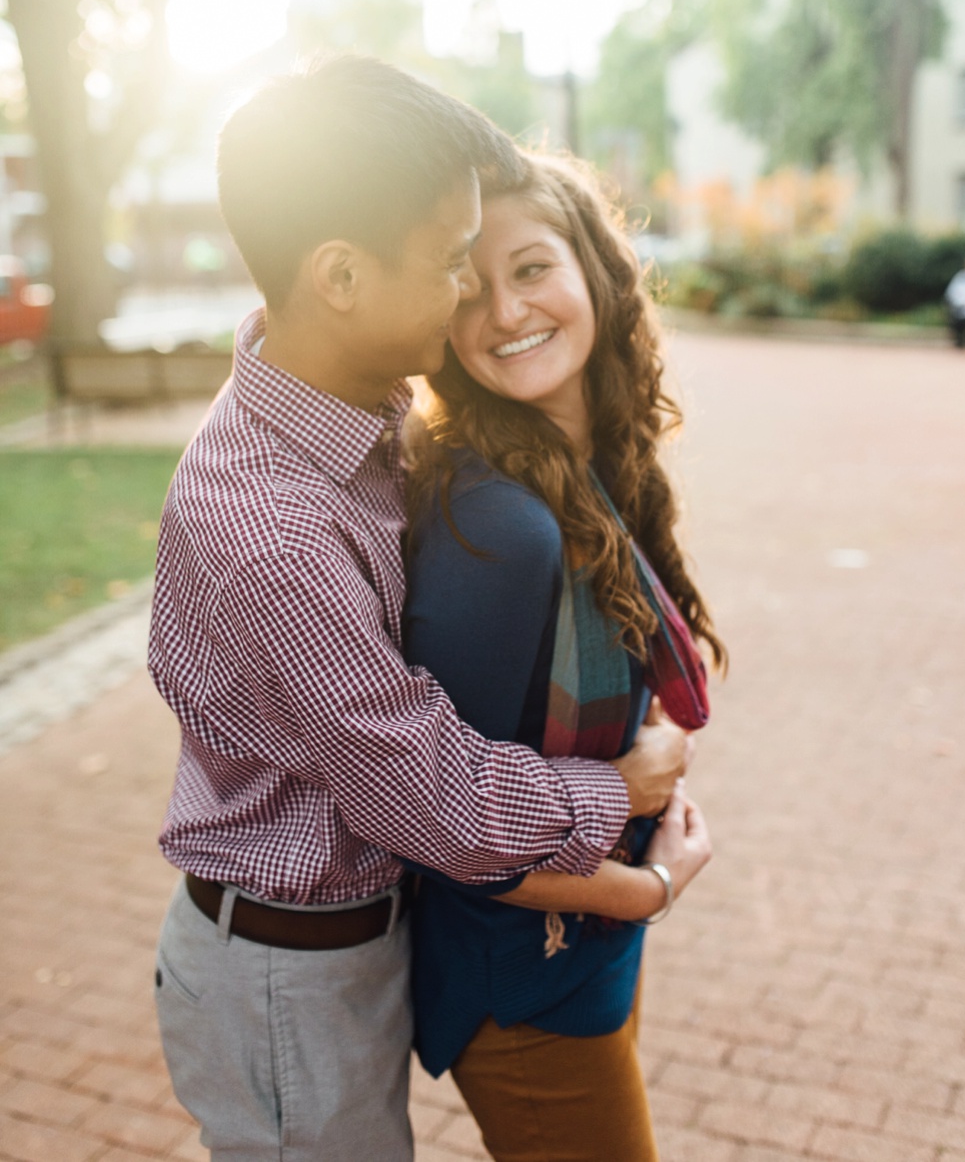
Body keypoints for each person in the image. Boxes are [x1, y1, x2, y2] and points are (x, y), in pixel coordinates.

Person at [148, 56, 692, 1162]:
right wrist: (619, 797)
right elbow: (427, 791)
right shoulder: (273, 534)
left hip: (354, 936)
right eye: (452, 263)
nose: (472, 296)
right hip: (290, 970)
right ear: (340, 277)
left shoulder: (328, 392)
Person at [401, 150, 725, 1161]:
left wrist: (653, 749)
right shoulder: (501, 524)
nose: (504, 312)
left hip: (584, 943)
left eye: (531, 269)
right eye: (469, 287)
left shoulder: (583, 469)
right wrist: (645, 889)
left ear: (593, 270)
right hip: (523, 976)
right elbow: (450, 828)